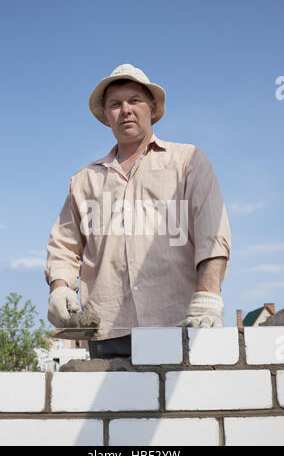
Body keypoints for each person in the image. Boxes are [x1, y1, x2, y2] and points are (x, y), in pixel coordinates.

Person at [45, 63, 231, 359]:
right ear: (106, 116)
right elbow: (64, 246)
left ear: (152, 107)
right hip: (108, 331)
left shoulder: (187, 162)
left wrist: (208, 294)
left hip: (180, 323)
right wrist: (60, 287)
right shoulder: (83, 181)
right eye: (115, 104)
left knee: (189, 406)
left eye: (134, 101)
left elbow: (212, 231)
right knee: (114, 407)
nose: (126, 110)